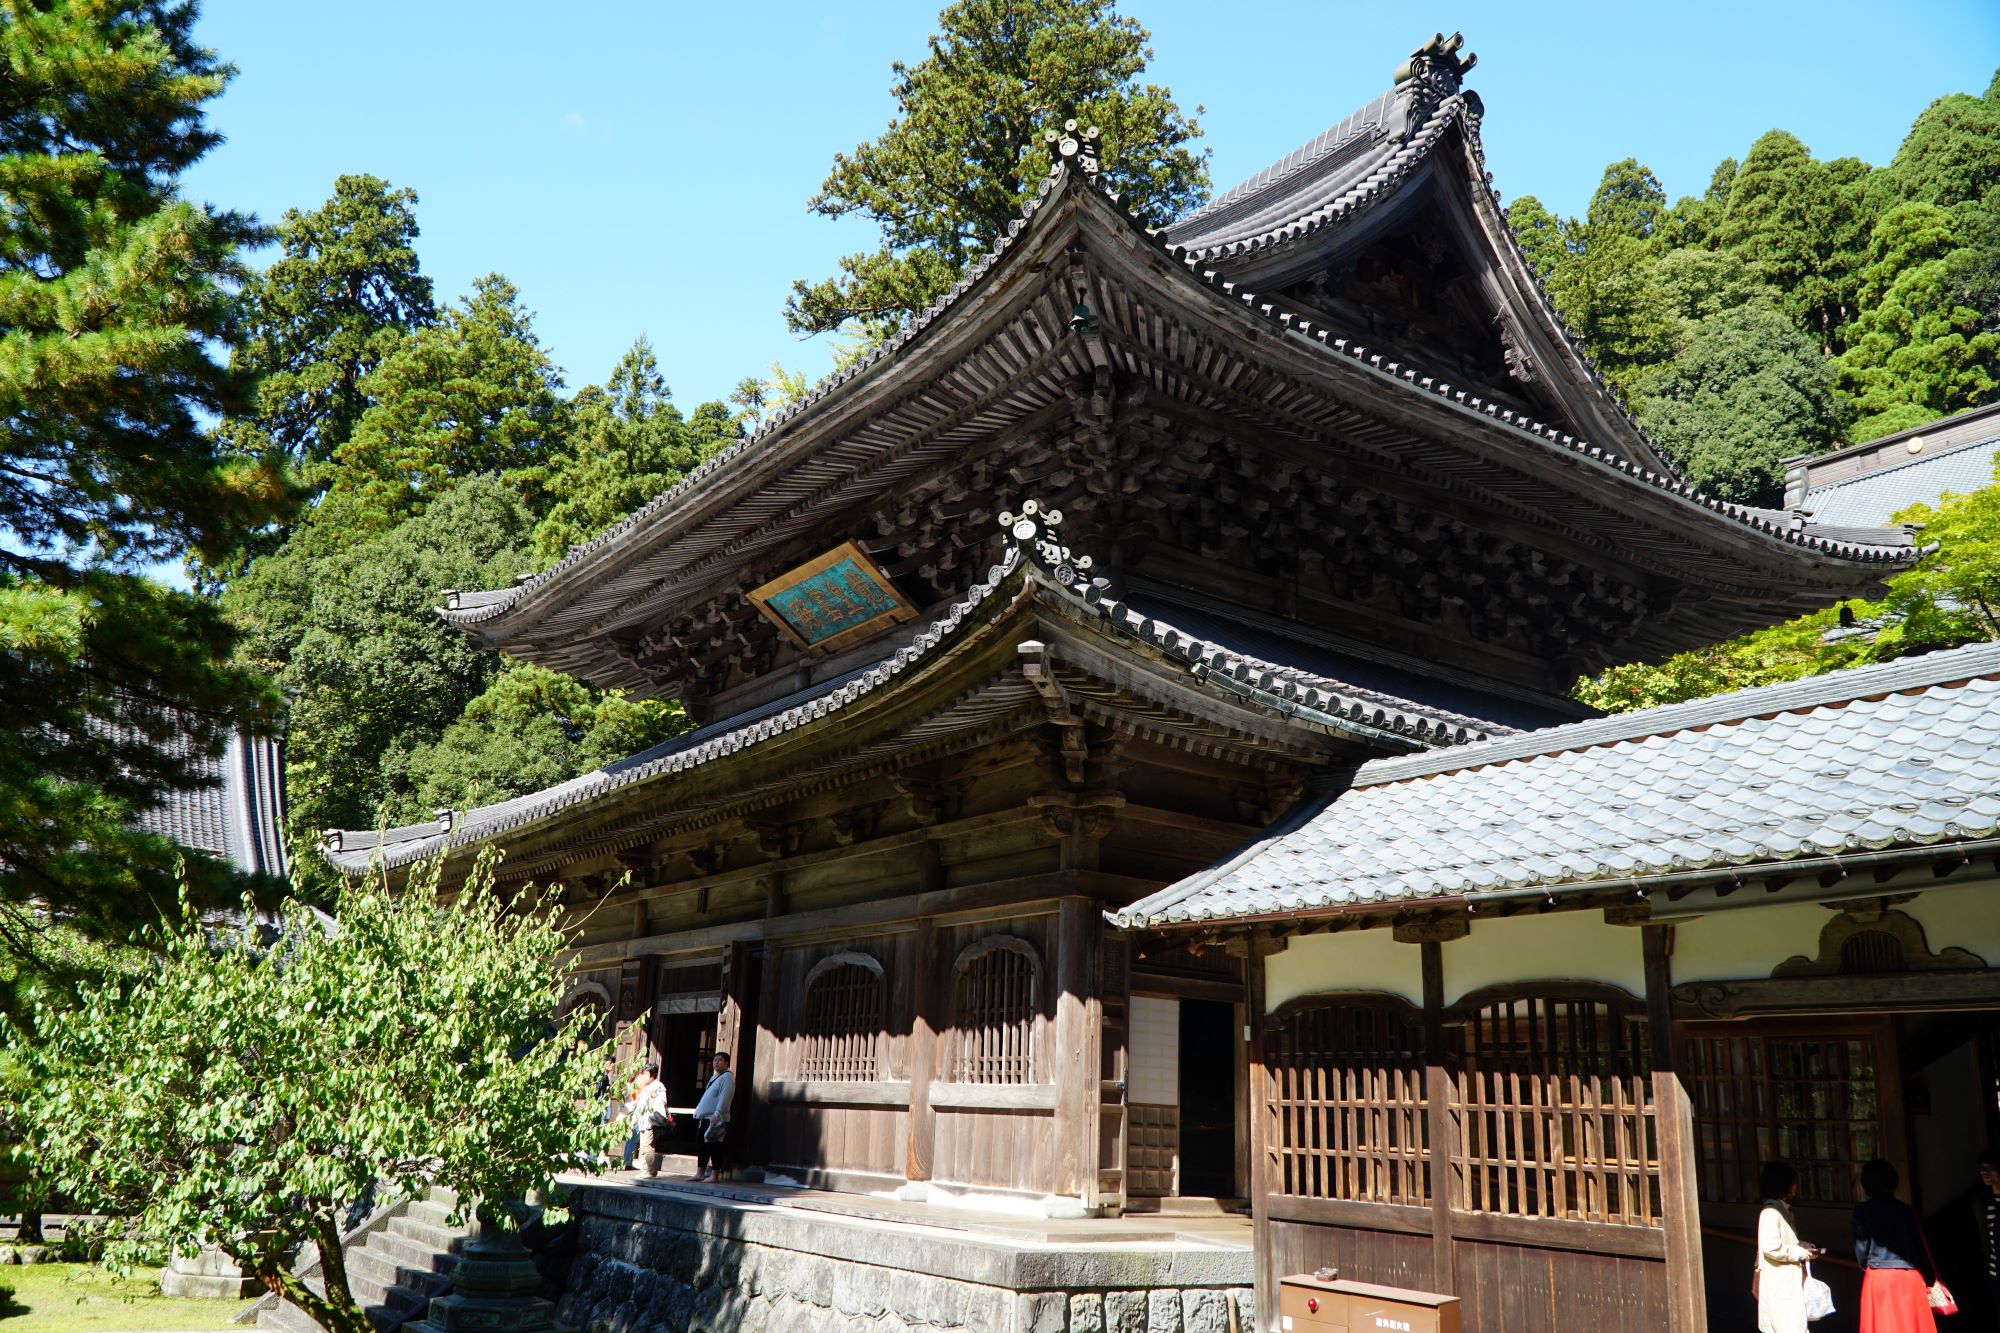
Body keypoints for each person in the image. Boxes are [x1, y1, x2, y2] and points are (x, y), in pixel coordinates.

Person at [1852, 1158, 1937, 1333]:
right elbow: (1920, 1246)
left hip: (1879, 1277)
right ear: (1893, 1182)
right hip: (1910, 1277)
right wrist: (1929, 1277)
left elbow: (1861, 1252)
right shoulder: (1907, 1211)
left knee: (1884, 1326)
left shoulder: (1862, 1211)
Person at [1758, 1161, 1823, 1333]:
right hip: (1780, 1286)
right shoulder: (1771, 1212)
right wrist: (1798, 1252)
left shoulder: (1783, 1210)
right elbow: (1771, 1247)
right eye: (1793, 1182)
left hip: (1788, 1283)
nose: (1795, 1186)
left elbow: (1783, 1242)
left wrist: (1802, 1246)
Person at [690, 1051, 735, 1183]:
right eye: (715, 1060)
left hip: (715, 1117)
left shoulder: (727, 1077)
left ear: (726, 1063)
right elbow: (706, 1095)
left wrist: (718, 1112)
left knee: (714, 1145)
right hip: (705, 1117)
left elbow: (725, 1097)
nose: (716, 1062)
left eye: (720, 1060)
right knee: (701, 1144)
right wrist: (698, 1109)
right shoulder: (714, 1077)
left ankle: (714, 1175)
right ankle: (700, 1173)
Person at [631, 1064, 669, 1177]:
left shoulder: (658, 1086)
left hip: (650, 1121)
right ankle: (645, 1170)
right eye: (643, 1073)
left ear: (653, 1075)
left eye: (646, 1074)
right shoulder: (645, 1087)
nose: (644, 1076)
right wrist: (634, 1120)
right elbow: (639, 1106)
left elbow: (663, 1102)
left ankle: (649, 1170)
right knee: (643, 1146)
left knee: (647, 1146)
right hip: (643, 1120)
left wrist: (655, 1097)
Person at [1978, 1150, 1999, 1325]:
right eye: (1982, 1168)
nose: (1984, 1172)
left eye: (1990, 1168)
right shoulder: (1985, 1203)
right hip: (1994, 1273)